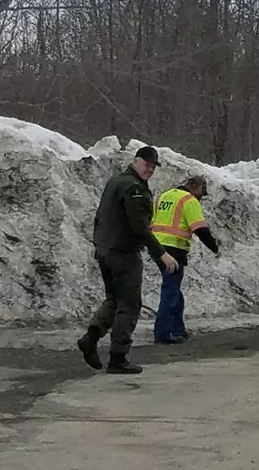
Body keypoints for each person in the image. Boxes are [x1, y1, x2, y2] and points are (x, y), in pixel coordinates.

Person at [76, 146, 179, 374]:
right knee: (129, 305)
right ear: (136, 161)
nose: (150, 170)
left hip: (105, 249)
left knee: (113, 299)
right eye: (147, 165)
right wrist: (161, 253)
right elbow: (139, 228)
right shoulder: (133, 189)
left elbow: (102, 215)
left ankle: (90, 338)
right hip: (123, 253)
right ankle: (118, 358)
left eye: (153, 167)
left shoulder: (116, 181)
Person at [149, 175, 220, 344]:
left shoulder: (165, 196)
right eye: (203, 191)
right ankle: (163, 333)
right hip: (174, 249)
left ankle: (177, 329)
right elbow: (200, 229)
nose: (202, 196)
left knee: (174, 290)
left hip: (157, 248)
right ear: (195, 187)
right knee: (170, 291)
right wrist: (215, 247)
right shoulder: (189, 200)